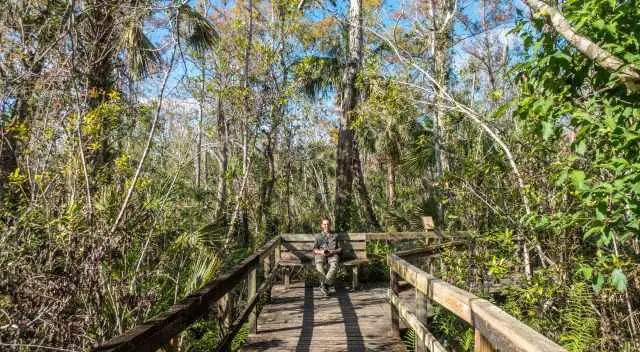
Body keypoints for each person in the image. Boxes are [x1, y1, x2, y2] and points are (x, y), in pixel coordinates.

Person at [312, 217, 342, 296]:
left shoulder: (335, 235)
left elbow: (340, 249)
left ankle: (324, 285)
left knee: (334, 265)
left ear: (330, 225)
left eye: (328, 224)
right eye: (324, 224)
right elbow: (314, 249)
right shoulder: (318, 236)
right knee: (319, 264)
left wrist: (333, 251)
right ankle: (326, 286)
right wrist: (321, 251)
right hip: (321, 254)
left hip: (332, 254)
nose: (326, 226)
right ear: (321, 225)